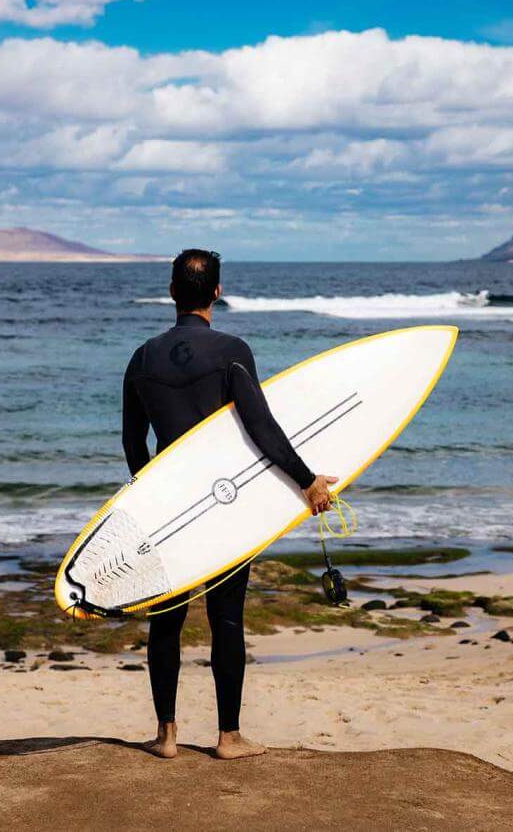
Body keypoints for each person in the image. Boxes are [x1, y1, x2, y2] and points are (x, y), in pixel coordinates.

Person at [121, 249, 339, 760]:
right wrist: (307, 482)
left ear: (173, 292)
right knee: (227, 619)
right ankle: (228, 737)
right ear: (217, 292)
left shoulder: (142, 358)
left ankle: (166, 736)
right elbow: (262, 427)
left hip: (168, 510)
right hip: (224, 507)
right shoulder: (232, 350)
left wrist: (150, 494)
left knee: (166, 619)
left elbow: (134, 444)